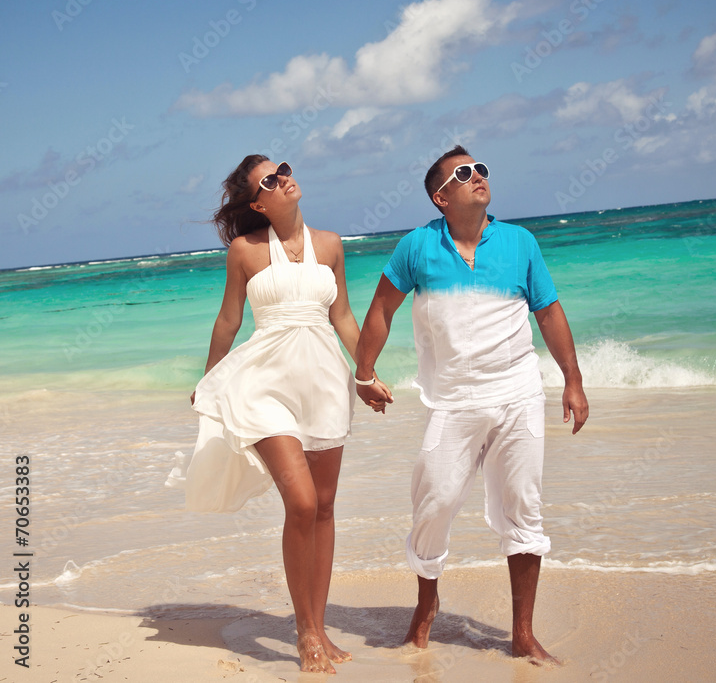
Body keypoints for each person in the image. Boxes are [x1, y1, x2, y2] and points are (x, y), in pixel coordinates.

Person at [353, 145, 589, 664]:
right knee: (434, 500)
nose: (478, 175)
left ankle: (522, 634)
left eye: (481, 168)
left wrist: (572, 380)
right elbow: (380, 309)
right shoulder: (416, 247)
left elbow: (548, 313)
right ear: (441, 197)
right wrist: (363, 373)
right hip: (454, 401)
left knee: (524, 508)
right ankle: (426, 604)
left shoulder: (521, 242)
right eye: (464, 173)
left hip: (518, 392)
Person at [166, 155, 390, 673]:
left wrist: (365, 373)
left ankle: (320, 625)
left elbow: (343, 317)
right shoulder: (243, 251)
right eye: (270, 178)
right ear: (258, 202)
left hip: (324, 383)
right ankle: (305, 632)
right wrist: (207, 379)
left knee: (327, 505)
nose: (284, 177)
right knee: (303, 502)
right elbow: (229, 320)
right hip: (264, 385)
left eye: (283, 167)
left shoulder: (331, 244)